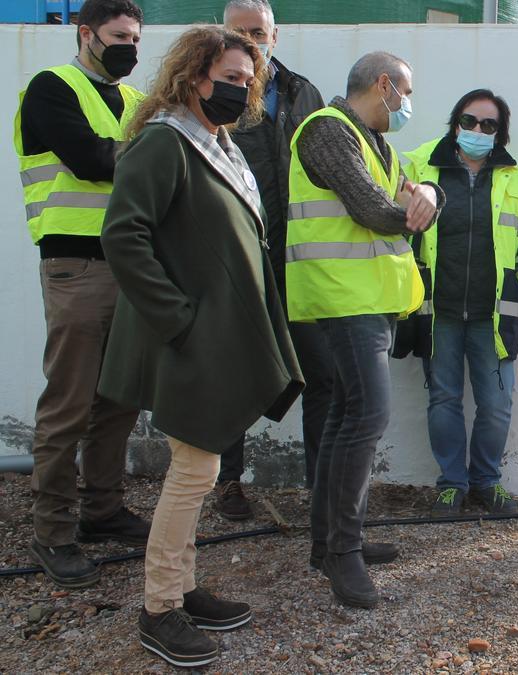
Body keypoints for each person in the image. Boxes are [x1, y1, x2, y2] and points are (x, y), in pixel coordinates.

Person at [98, 26, 303, 667]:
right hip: (185, 337)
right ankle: (159, 607)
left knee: (201, 466)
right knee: (194, 471)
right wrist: (180, 321)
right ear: (194, 77)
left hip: (210, 333)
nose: (241, 91)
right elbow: (124, 236)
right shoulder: (165, 142)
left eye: (248, 82)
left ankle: (184, 589)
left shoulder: (217, 143)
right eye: (231, 78)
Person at [288, 52, 439, 608]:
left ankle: (327, 543)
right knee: (366, 415)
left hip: (368, 300)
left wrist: (430, 193)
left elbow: (408, 193)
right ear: (384, 86)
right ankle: (341, 554)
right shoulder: (327, 131)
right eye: (407, 93)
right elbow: (374, 209)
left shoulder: (377, 142)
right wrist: (420, 200)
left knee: (346, 416)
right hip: (339, 297)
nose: (408, 106)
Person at [12, 0, 151, 589]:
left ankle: (101, 509)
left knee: (118, 399)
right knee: (69, 402)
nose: (129, 48)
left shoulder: (139, 101)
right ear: (86, 33)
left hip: (132, 265)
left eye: (136, 39)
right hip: (76, 266)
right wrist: (158, 157)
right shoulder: (51, 88)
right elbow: (91, 160)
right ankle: (53, 533)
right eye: (119, 37)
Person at [403, 89, 518, 515]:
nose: (477, 130)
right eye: (470, 121)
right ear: (456, 123)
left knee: (496, 404)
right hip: (439, 313)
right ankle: (451, 484)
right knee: (443, 400)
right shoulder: (418, 165)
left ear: (499, 134)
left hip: (494, 316)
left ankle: (487, 482)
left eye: (489, 125)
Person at [212, 0, 331, 520]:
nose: (251, 40)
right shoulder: (212, 90)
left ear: (275, 38)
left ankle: (320, 487)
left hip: (303, 258)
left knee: (320, 373)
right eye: (240, 31)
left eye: (259, 32)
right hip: (241, 254)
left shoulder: (305, 92)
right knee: (234, 370)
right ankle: (227, 484)